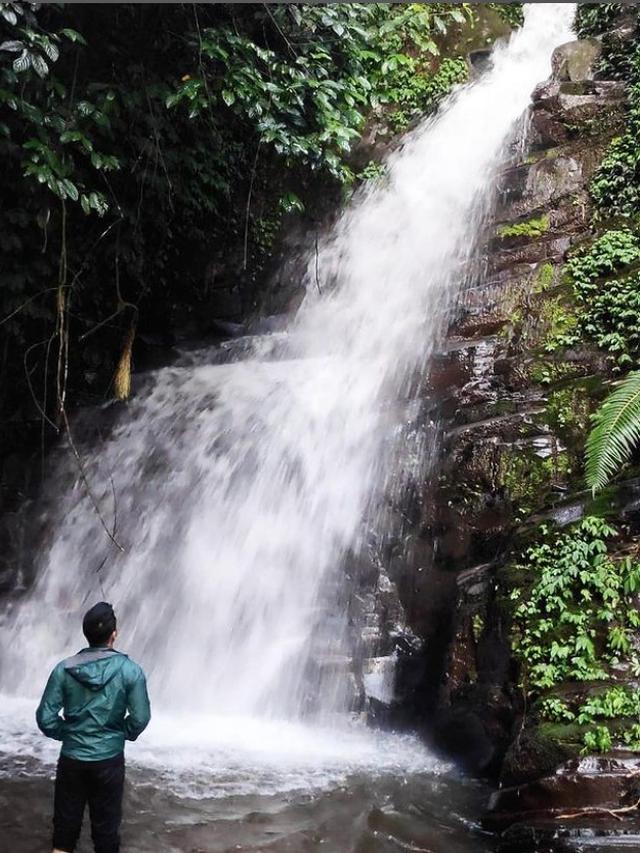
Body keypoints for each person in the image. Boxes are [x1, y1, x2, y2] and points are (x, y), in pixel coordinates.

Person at [36, 601, 151, 853]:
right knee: (106, 835)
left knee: (63, 836)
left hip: (72, 760)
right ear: (114, 634)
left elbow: (45, 717)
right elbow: (140, 717)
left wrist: (69, 733)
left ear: (86, 634)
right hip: (109, 762)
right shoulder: (131, 671)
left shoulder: (63, 669)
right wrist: (120, 733)